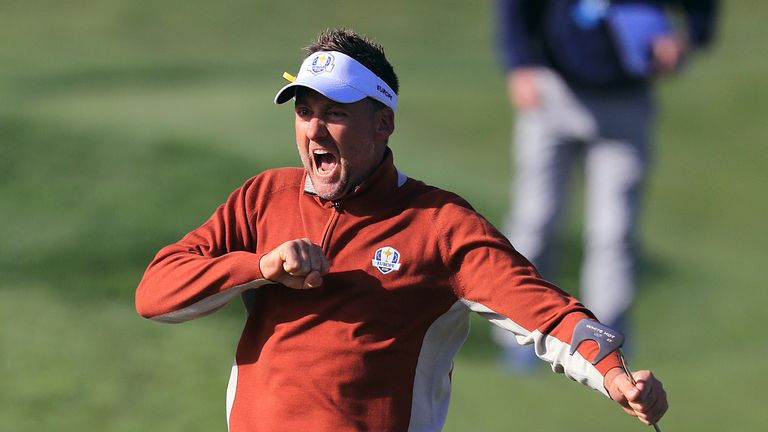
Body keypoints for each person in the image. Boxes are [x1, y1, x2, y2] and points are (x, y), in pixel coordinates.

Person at [135, 28, 668, 431]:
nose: (314, 128)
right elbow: (156, 292)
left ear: (383, 123)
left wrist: (614, 376)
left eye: (335, 112)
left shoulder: (441, 225)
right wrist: (260, 267)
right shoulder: (264, 197)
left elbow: (542, 310)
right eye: (305, 110)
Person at [492, 0, 718, 370]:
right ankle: (522, 335)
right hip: (553, 91)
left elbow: (701, 11)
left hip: (625, 105)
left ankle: (604, 349)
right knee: (537, 219)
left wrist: (686, 40)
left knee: (614, 232)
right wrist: (518, 64)